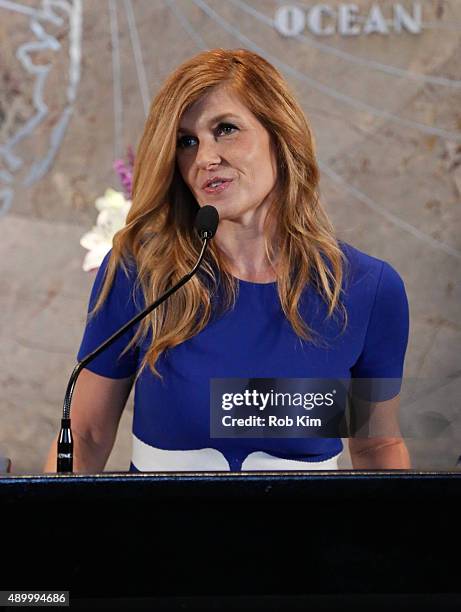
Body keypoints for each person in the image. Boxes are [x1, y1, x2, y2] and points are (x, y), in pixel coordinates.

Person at [44, 48, 410, 473]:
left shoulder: (368, 289)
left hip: (309, 538)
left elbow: (376, 448)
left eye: (226, 129)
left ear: (281, 135)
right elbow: (86, 436)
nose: (205, 158)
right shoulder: (138, 273)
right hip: (157, 536)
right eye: (187, 142)